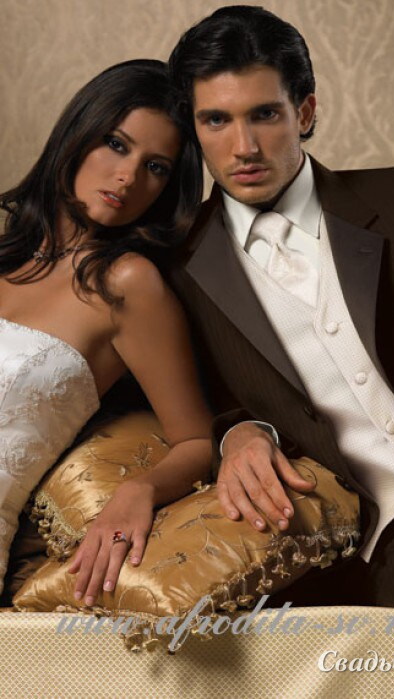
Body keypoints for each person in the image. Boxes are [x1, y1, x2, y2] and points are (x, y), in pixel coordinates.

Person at [168, 6, 394, 697]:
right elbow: (189, 407)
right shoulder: (176, 270)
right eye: (216, 120)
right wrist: (239, 435)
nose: (244, 146)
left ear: (305, 112)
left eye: (265, 114)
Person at [0, 59, 212, 605]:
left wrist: (138, 490)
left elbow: (195, 441)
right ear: (79, 132)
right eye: (116, 145)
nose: (128, 176)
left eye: (156, 167)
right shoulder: (4, 254)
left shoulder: (128, 285)